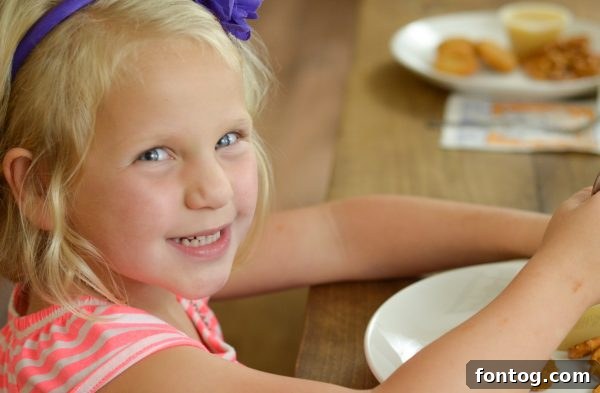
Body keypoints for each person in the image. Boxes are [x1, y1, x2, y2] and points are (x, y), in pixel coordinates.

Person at [0, 1, 598, 392]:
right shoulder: (126, 369)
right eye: (155, 155)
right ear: (38, 187)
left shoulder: (114, 266)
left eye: (228, 138)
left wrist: (554, 232)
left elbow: (344, 234)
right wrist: (566, 275)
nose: (211, 189)